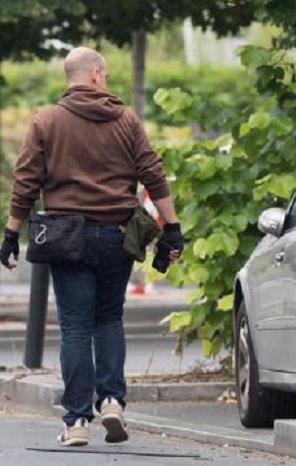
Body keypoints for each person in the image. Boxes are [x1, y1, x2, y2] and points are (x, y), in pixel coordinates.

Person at [0, 47, 184, 446]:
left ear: (71, 77)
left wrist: (12, 233)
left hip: (68, 238)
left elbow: (26, 181)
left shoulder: (46, 121)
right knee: (108, 319)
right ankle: (113, 400)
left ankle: (77, 421)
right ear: (97, 74)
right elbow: (153, 173)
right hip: (118, 235)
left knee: (76, 326)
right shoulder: (127, 120)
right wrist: (172, 227)